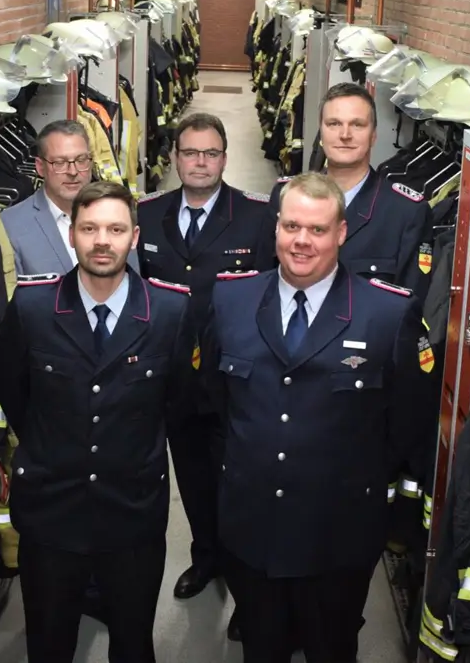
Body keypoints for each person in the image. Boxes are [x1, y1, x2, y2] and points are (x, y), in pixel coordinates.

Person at [201, 173, 426, 663]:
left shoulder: (386, 314)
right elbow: (214, 403)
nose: (302, 241)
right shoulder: (230, 300)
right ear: (275, 228)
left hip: (338, 534)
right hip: (251, 527)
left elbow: (405, 421)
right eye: (291, 226)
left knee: (332, 648)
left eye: (318, 230)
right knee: (261, 648)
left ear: (341, 233)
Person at [0, 181, 194, 663]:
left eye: (116, 229)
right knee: (49, 641)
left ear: (134, 236)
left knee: (132, 641)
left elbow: (181, 399)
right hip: (52, 511)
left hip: (132, 513)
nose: (103, 240)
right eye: (90, 228)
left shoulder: (170, 309)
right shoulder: (34, 306)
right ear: (73, 237)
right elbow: (12, 387)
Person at [136, 112, 278, 604]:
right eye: (191, 152)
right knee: (193, 480)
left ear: (224, 157)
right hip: (173, 380)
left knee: (240, 484)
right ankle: (206, 558)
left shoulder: (258, 217)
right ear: (175, 157)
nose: (200, 162)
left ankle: (246, 591)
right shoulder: (147, 214)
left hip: (235, 377)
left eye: (211, 153)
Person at [267, 82, 432, 305]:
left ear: (373, 135)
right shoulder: (285, 196)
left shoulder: (405, 213)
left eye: (357, 125)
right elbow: (265, 285)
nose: (345, 135)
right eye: (334, 124)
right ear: (321, 132)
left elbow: (410, 307)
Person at [1, 119, 140, 276]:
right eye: (60, 163)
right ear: (40, 167)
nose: (73, 172)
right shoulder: (11, 225)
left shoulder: (117, 213)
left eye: (81, 161)